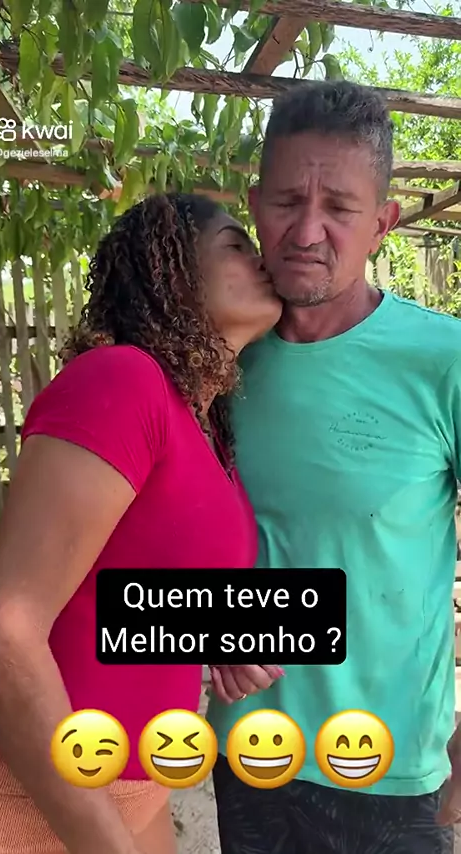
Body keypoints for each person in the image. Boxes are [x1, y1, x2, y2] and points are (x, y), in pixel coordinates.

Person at [0, 192, 283, 854]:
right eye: (236, 245)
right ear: (172, 270)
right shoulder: (123, 381)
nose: (261, 257)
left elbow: (114, 585)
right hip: (32, 790)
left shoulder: (204, 424)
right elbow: (3, 635)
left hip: (139, 785)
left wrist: (216, 632)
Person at [207, 80, 461, 854]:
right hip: (247, 759)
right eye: (288, 201)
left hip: (389, 774)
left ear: (383, 223)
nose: (307, 230)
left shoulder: (443, 360)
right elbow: (158, 545)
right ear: (255, 206)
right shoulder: (214, 362)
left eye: (340, 208)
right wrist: (207, 628)